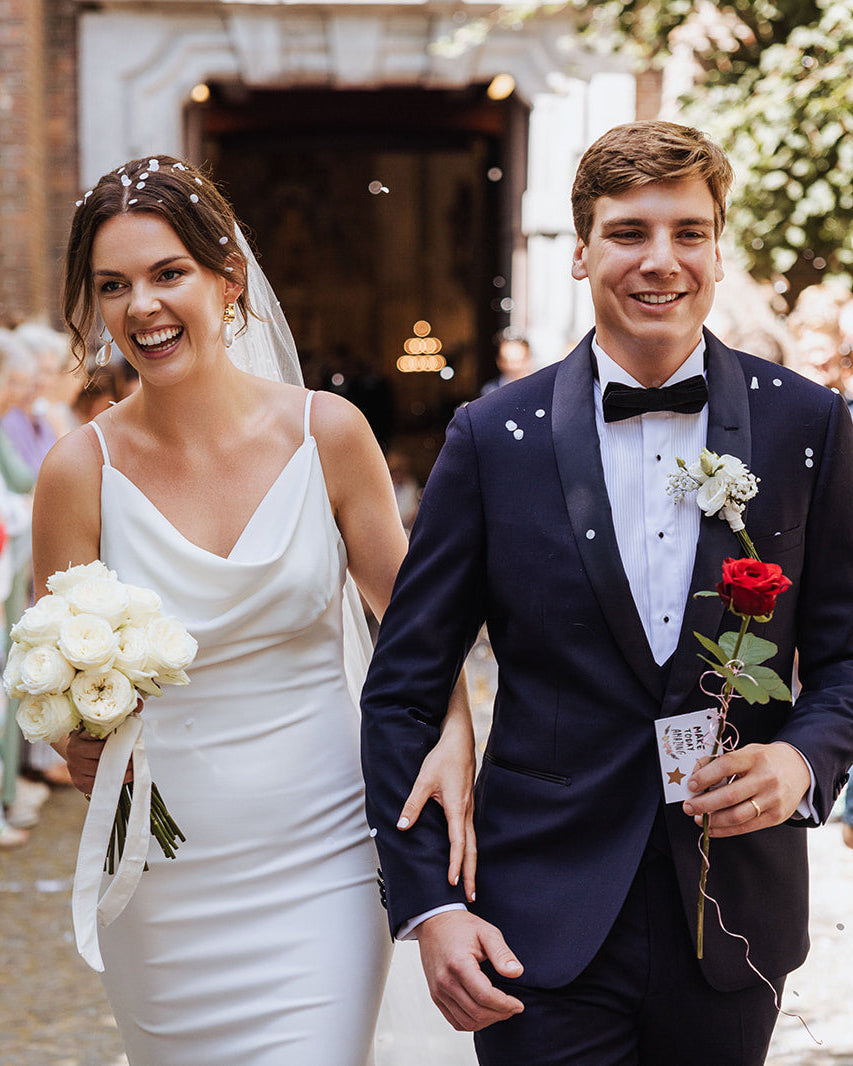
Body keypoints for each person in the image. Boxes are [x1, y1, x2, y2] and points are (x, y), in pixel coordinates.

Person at [361, 121, 853, 1066]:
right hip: (536, 918)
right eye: (628, 232)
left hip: (731, 917)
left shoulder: (807, 424)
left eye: (688, 232)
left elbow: (843, 657)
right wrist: (428, 906)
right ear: (581, 252)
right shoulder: (490, 438)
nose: (660, 260)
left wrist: (801, 762)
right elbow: (403, 690)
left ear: (717, 249)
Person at [37, 155, 476, 1066]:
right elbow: (62, 688)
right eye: (113, 285)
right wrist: (75, 741)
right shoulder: (79, 471)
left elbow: (416, 628)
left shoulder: (328, 435)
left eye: (168, 273)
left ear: (227, 279)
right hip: (159, 877)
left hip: (324, 855)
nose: (142, 306)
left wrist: (454, 735)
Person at [479, 332, 532, 397]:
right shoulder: (490, 391)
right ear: (499, 362)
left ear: (528, 359)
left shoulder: (538, 387)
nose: (515, 367)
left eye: (519, 361)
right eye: (509, 361)